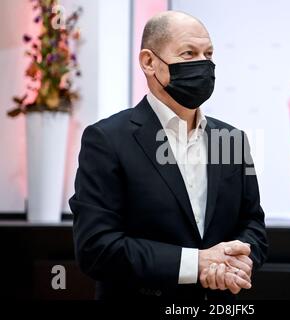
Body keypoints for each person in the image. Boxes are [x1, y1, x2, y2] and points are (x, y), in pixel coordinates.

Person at [69, 10, 267, 301]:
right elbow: (97, 248)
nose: (203, 64)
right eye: (189, 54)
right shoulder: (107, 140)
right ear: (149, 62)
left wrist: (238, 259)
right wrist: (196, 263)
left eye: (208, 54)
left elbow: (253, 225)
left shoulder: (232, 139)